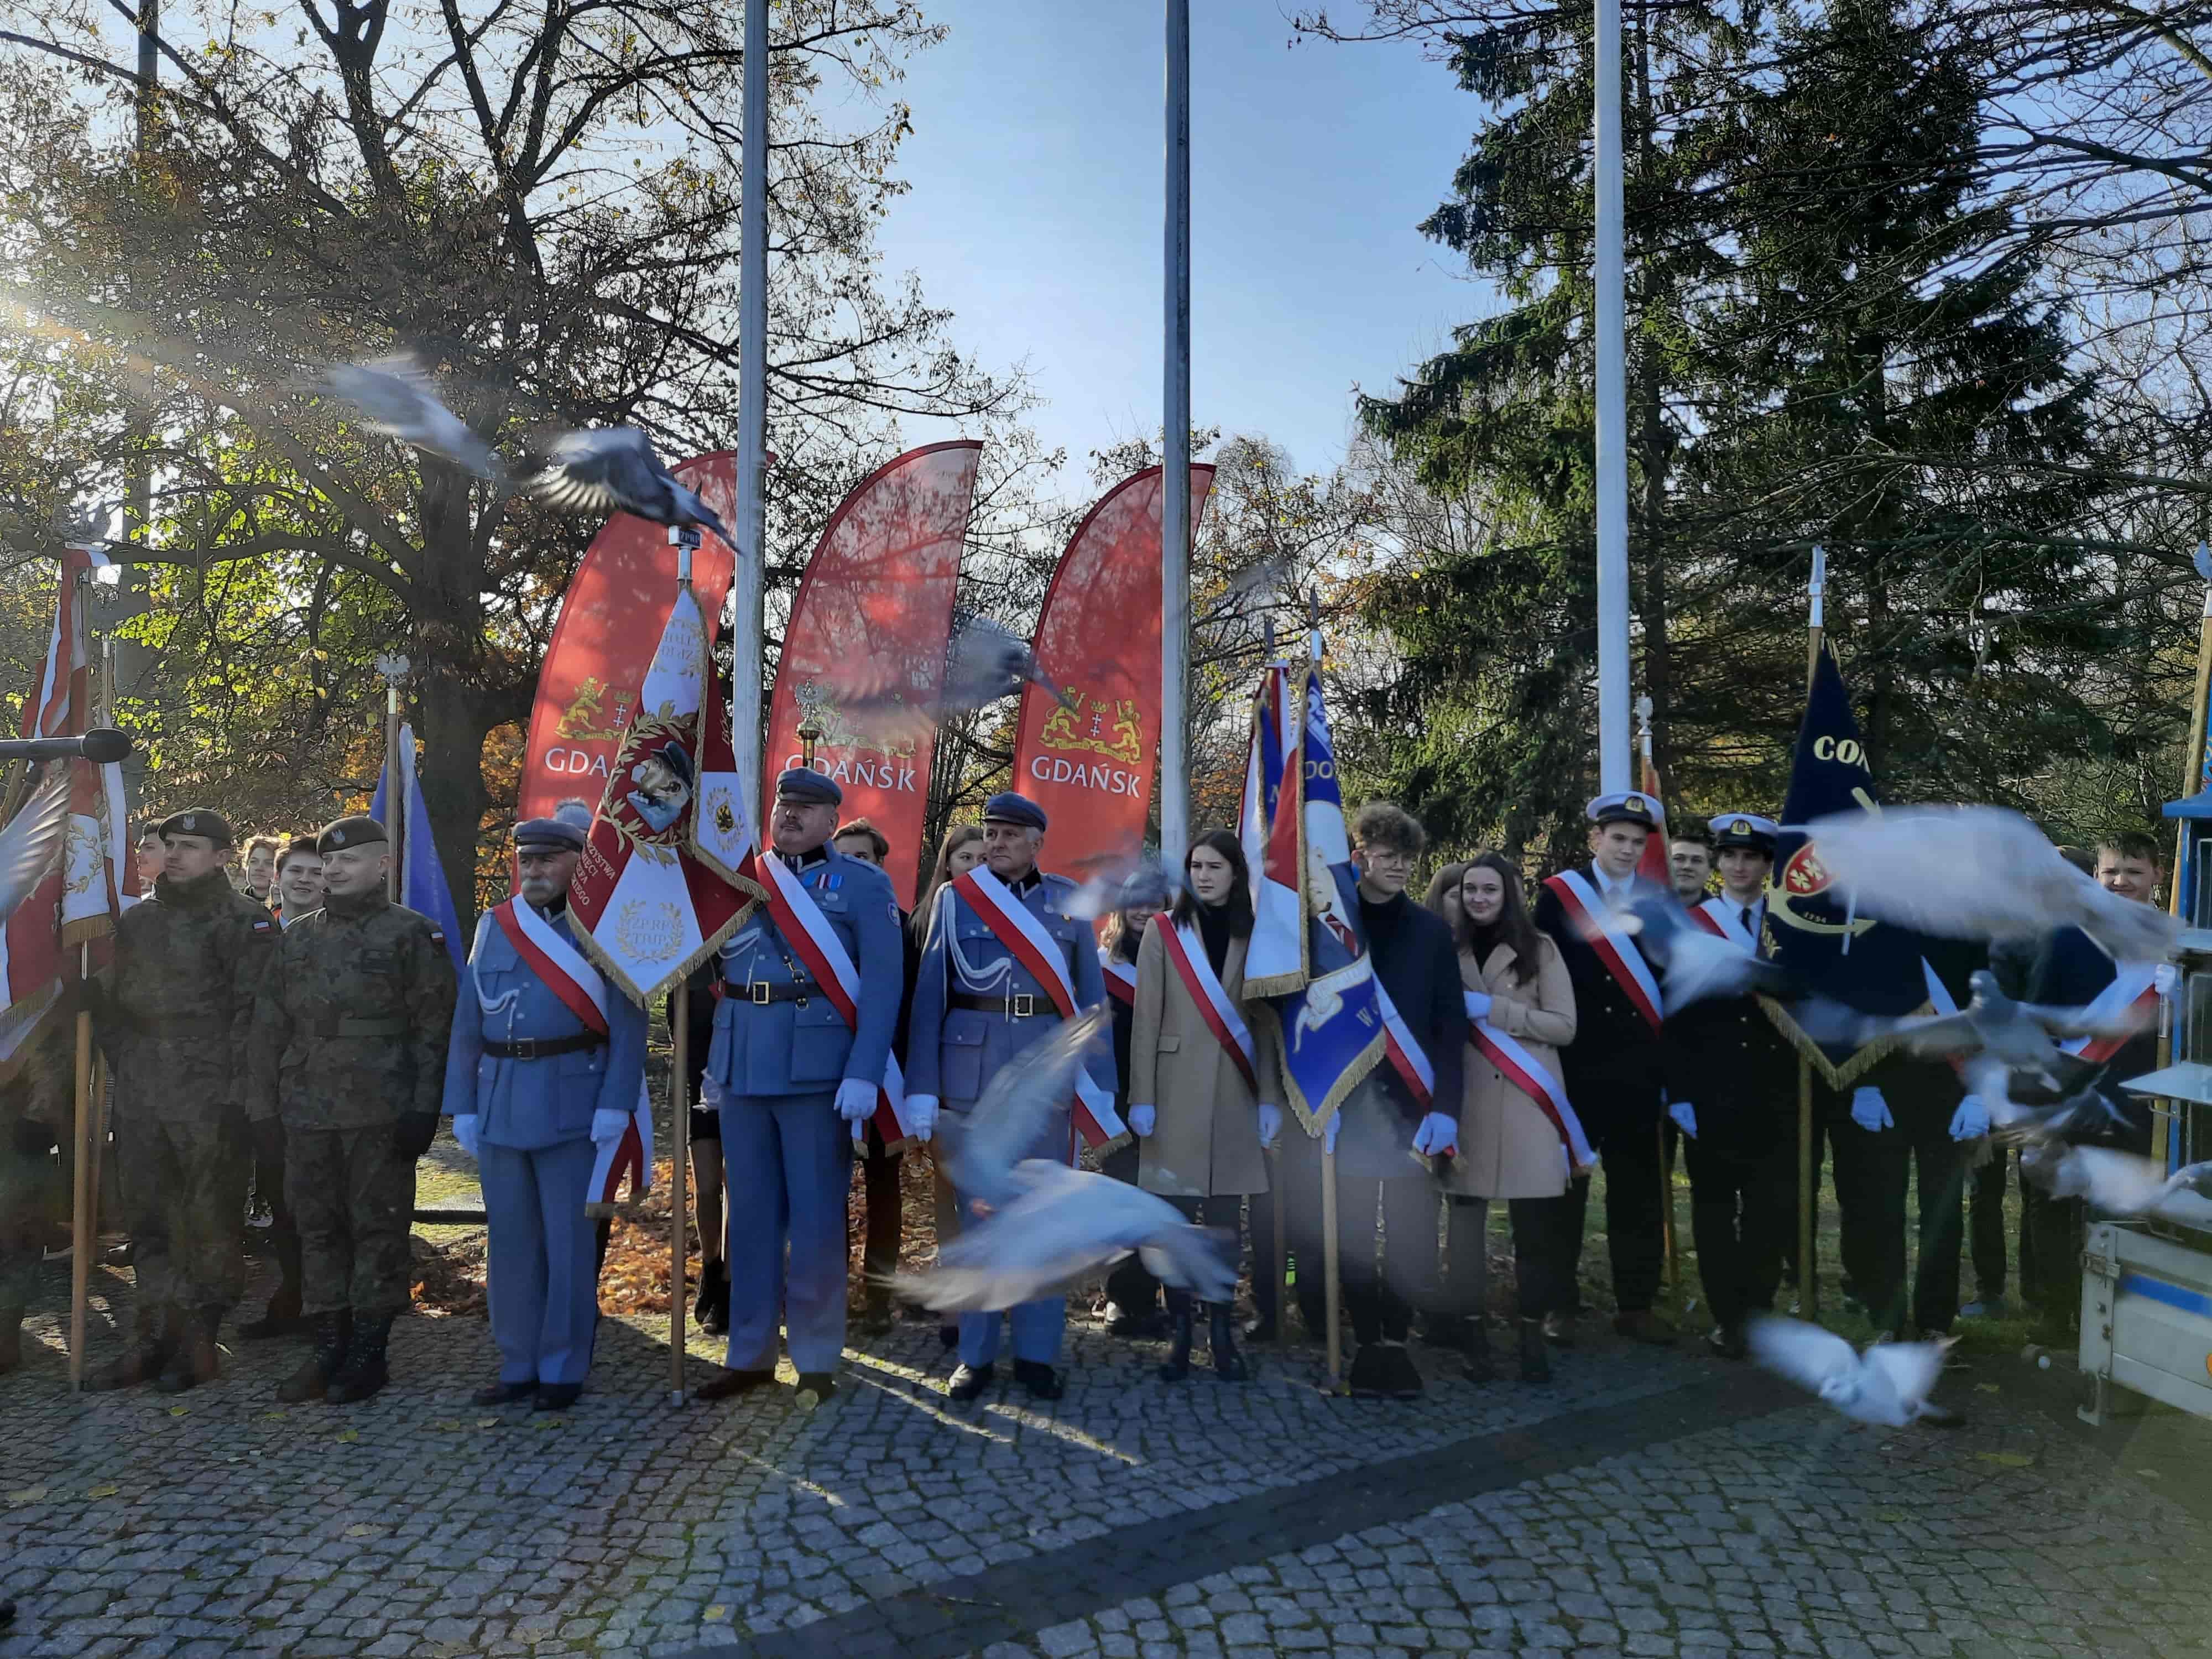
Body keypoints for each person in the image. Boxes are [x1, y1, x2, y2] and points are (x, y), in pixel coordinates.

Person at [695, 769, 902, 1406]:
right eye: (784, 803)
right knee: (750, 1219)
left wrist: (865, 1070)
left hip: (818, 1070)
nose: (790, 814)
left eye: (806, 807)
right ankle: (750, 1354)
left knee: (814, 1222)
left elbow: (884, 985)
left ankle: (814, 1357)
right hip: (741, 1063)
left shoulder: (863, 884)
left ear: (832, 821)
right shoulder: (736, 877)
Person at [905, 791, 1114, 1403]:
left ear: (1036, 843)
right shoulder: (956, 899)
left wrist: (1098, 1087)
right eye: (990, 833)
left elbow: (1091, 1002)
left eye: (1008, 834)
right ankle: (974, 1356)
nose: (995, 843)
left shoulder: (1069, 902)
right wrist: (922, 1088)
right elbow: (929, 999)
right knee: (978, 1220)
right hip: (970, 1078)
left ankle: (1036, 1354)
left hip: (1045, 1077)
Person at [247, 816, 457, 1404]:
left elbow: (434, 1029)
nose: (335, 870)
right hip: (306, 1107)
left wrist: (424, 1109)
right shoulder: (298, 936)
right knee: (316, 1229)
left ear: (383, 865)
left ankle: (369, 1350)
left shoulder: (413, 934)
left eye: (349, 860)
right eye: (330, 861)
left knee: (377, 1229)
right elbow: (268, 1027)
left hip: (380, 1109)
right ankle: (327, 1345)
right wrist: (263, 1109)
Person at [443, 812, 649, 1409]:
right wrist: (462, 1105)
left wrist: (616, 1103)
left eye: (547, 860)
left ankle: (562, 1366)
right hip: (501, 1100)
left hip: (574, 1102)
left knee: (568, 1246)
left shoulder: (606, 928)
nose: (533, 870)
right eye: (526, 861)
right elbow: (467, 1023)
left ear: (578, 863)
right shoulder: (495, 925)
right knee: (510, 1245)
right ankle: (518, 1362)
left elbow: (630, 1025)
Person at [88, 808, 279, 1393]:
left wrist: (241, 1095)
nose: (173, 854)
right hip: (144, 1087)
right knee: (148, 1217)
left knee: (208, 1218)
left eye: (190, 846)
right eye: (169, 843)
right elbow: (113, 1008)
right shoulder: (138, 921)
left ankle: (199, 1337)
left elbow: (258, 1016)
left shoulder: (245, 921)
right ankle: (152, 1335)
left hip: (212, 1091)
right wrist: (125, 1053)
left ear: (221, 856)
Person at [1279, 800, 1464, 1399]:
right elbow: (1301, 1015)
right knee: (1353, 1232)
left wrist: (1447, 1108)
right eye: (1387, 856)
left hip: (1413, 1107)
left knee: (1412, 1236)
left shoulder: (1431, 932)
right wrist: (1317, 1099)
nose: (1399, 867)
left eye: (1407, 857)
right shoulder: (1331, 931)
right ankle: (1366, 1341)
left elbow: (1450, 1026)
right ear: (1358, 857)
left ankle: (1397, 1340)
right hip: (1349, 1105)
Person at [1127, 829, 1280, 1383]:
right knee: (1175, 1224)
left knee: (1223, 1227)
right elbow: (1145, 1020)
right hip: (1172, 1097)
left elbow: (1265, 1025)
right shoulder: (1164, 931)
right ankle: (1181, 1335)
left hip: (1236, 1096)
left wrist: (1269, 1097)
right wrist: (1141, 1097)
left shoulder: (1254, 933)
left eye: (1215, 866)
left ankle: (1220, 1333)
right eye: (1196, 867)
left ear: (1235, 874)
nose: (1204, 876)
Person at [1532, 791, 1675, 1345]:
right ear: (1595, 838)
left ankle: (1636, 1304)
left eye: (1638, 842)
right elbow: (1541, 974)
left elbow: (1670, 985)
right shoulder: (1559, 897)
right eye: (1618, 838)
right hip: (1577, 1069)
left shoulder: (1660, 904)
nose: (1628, 849)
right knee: (1564, 1191)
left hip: (1640, 1071)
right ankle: (1557, 1303)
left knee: (1638, 1193)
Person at [2013, 832, 2165, 1342]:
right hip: (2072, 1092)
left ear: (2158, 875)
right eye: (2111, 872)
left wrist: (2184, 989)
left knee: (2121, 1213)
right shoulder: (2065, 937)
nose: (2121, 881)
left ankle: (2115, 1323)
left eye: (2134, 872)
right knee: (2057, 1204)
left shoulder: (2177, 943)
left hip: (2141, 1099)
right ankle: (2057, 1315)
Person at [1437, 851, 1582, 1382]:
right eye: (1470, 889)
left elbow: (1565, 1026)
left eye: (1490, 890)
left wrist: (1496, 1011)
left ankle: (1530, 1338)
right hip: (1467, 1103)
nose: (1479, 899)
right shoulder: (1445, 948)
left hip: (1528, 1102)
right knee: (1464, 1234)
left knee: (1535, 1234)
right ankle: (1472, 1335)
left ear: (1508, 894)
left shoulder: (1540, 948)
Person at [1662, 814, 1798, 1358]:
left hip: (1776, 1091)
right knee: (1714, 1210)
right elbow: (1675, 1014)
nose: (1740, 866)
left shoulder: (1790, 926)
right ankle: (1727, 1315)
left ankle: (1758, 1308)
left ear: (1767, 865)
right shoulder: (1693, 924)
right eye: (1731, 856)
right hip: (1710, 1090)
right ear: (1718, 863)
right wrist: (1679, 1092)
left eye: (1752, 857)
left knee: (1770, 1207)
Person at [832, 816, 914, 1333]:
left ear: (881, 865)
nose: (853, 866)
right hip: (827, 1072)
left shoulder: (903, 926)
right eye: (844, 858)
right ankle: (832, 1294)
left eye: (862, 857)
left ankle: (880, 1297)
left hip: (888, 1072)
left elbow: (911, 1006)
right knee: (829, 1190)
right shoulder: (816, 925)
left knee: (884, 1190)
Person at [914, 822, 985, 1350]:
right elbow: (917, 1008)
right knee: (950, 1194)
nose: (976, 868)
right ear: (947, 863)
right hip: (943, 1073)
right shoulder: (924, 919)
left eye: (984, 858)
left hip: (994, 1073)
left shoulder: (1014, 917)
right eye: (966, 858)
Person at [1098, 879, 1167, 1338]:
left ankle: (1165, 1296)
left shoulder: (1184, 961)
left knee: (1164, 1198)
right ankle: (1121, 1299)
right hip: (1117, 1099)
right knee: (1122, 1198)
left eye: (1154, 903)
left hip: (1171, 1094)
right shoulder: (1102, 966)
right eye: (1135, 903)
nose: (1144, 911)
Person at [1, 1011, 72, 1375]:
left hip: (16, 1113)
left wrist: (40, 1112)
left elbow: (50, 1029)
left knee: (16, 1231)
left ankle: (5, 1336)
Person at [668, 961, 727, 1335]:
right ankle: (711, 1268)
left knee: (737, 1186)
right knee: (706, 1187)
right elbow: (677, 1033)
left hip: (747, 1080)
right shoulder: (689, 961)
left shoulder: (747, 954)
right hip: (702, 1085)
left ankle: (731, 1286)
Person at [273, 837, 325, 926]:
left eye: (317, 873)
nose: (305, 879)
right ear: (277, 877)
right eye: (296, 871)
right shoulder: (252, 927)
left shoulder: (344, 932)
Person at [1668, 831, 1713, 906]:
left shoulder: (1721, 913)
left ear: (1709, 872)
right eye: (1678, 858)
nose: (1687, 866)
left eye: (1697, 860)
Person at [239, 833, 283, 909]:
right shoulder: (233, 904)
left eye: (269, 863)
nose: (259, 868)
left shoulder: (289, 908)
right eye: (254, 862)